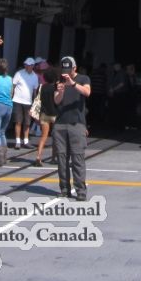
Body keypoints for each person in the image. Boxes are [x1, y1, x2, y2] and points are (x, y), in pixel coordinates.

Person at [54, 56, 91, 200]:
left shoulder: (83, 78)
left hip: (77, 124)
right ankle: (64, 189)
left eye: (68, 69)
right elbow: (57, 100)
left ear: (74, 68)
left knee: (77, 158)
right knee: (62, 159)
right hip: (60, 124)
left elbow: (87, 92)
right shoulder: (60, 80)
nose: (66, 73)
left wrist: (73, 83)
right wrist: (61, 91)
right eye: (64, 69)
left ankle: (81, 191)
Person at [11, 57, 39, 149]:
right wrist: (11, 97)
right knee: (18, 121)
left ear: (32, 66)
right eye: (26, 65)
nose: (27, 66)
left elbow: (35, 91)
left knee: (27, 122)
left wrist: (35, 103)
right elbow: (13, 86)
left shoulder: (35, 76)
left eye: (29, 65)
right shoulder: (19, 73)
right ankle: (18, 141)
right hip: (17, 100)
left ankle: (26, 141)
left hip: (28, 102)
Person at [34, 65, 59, 166]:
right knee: (56, 137)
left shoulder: (41, 87)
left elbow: (37, 99)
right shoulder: (55, 87)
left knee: (43, 136)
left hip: (44, 114)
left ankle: (38, 157)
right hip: (55, 114)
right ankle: (53, 158)